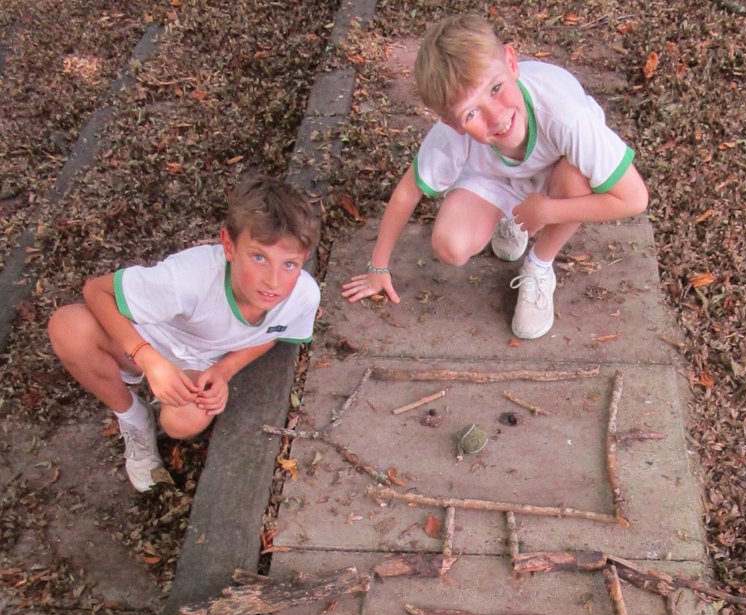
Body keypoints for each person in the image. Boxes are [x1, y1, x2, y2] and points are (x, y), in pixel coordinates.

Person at [342, 13, 648, 340]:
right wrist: (378, 267)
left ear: (512, 63)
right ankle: (510, 217)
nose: (496, 116)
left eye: (496, 88)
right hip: (493, 177)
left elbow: (634, 199)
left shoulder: (566, 114)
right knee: (450, 246)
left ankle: (539, 265)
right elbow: (408, 191)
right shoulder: (449, 136)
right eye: (471, 113)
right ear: (452, 123)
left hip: (556, 172)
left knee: (577, 180)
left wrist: (547, 211)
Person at [49, 175, 320, 492]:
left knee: (182, 422)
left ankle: (159, 408)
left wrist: (224, 369)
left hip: (198, 364)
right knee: (68, 327)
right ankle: (133, 418)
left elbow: (274, 333)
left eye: (289, 264)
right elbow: (96, 291)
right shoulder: (187, 278)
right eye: (259, 257)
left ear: (304, 259)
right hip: (151, 338)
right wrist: (149, 360)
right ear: (229, 245)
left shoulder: (303, 296)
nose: (273, 281)